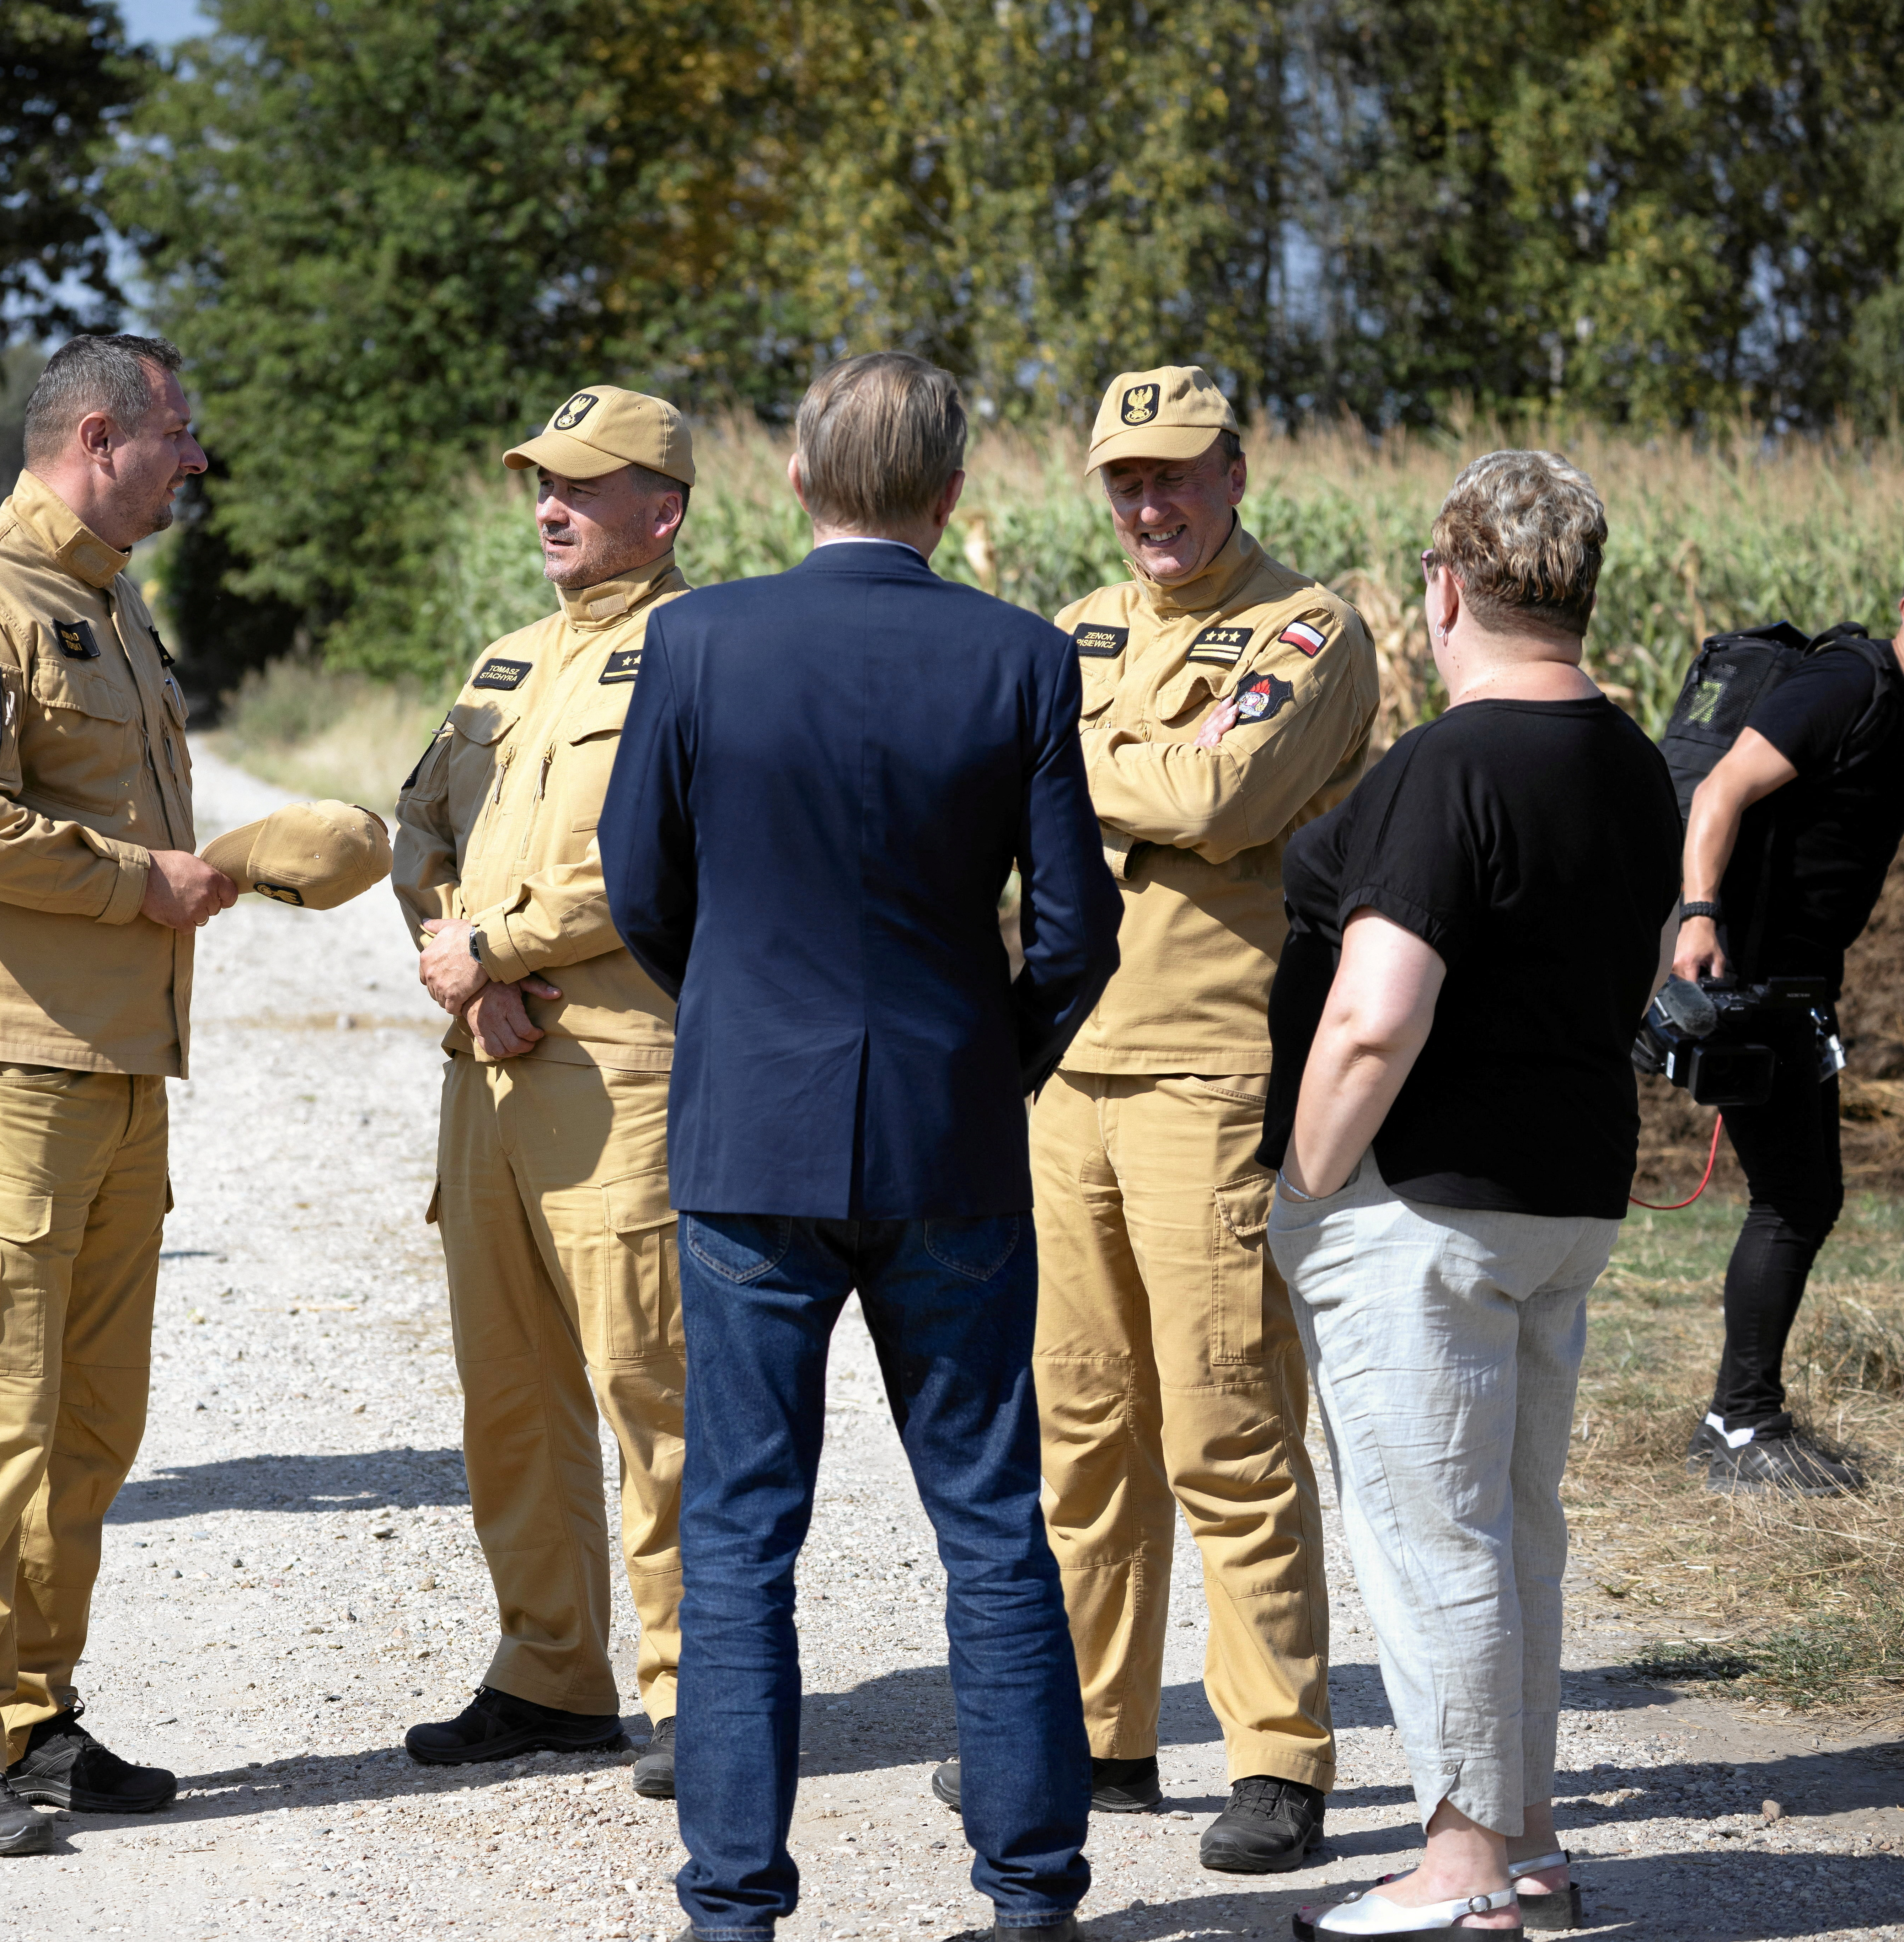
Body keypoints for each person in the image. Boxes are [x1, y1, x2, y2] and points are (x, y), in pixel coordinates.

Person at [604, 351, 1121, 1942]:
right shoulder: (1023, 656)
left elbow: (637, 885)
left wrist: (736, 1020)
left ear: (793, 479)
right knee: (986, 1512)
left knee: (742, 1529)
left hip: (750, 1135)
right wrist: (993, 1058)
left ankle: (734, 1905)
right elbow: (1076, 928)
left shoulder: (690, 639)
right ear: (951, 495)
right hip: (947, 1131)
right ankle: (1032, 1890)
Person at [948, 366, 1375, 1871]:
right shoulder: (1077, 623)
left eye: (1177, 474)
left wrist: (1057, 771)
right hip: (1062, 1069)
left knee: (1224, 1424)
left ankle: (1276, 1753)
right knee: (1079, 1422)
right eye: (1125, 480)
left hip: (1211, 1075)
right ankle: (1096, 1734)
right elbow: (1022, 793)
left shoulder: (1304, 626)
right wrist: (1080, 778)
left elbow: (1218, 796)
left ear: (1234, 472)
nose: (1151, 505)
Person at [1264, 451, 1678, 1936]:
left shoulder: (1448, 765)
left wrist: (1304, 1184)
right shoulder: (1633, 765)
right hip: (1565, 1193)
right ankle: (1529, 1844)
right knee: (1512, 1531)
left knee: (1429, 1537)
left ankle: (1456, 1871)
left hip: (1418, 1206)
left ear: (1445, 586)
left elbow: (1376, 1011)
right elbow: (1631, 968)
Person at [0, 333, 231, 1859]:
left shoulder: (103, 598)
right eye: (178, 438)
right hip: (2, 1071)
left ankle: (32, 1710)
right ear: (98, 436)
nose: (194, 462)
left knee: (89, 1427)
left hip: (114, 1070)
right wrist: (141, 882)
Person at [391, 383, 694, 1797]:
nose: (549, 505)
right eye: (539, 482)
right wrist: (464, 963)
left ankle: (704, 1689)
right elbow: (421, 830)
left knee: (655, 1385)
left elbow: (665, 864)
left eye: (581, 485)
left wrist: (501, 953)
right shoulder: (504, 662)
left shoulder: (702, 655)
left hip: (620, 1071)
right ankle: (550, 1671)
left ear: (664, 510)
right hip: (488, 1067)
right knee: (509, 1390)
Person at [1672, 531, 1904, 1494]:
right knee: (1797, 1197)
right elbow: (1720, 793)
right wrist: (1702, 919)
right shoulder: (1845, 690)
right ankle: (1741, 1426)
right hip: (1743, 968)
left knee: (1801, 1196)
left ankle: (1743, 1416)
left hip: (1805, 983)